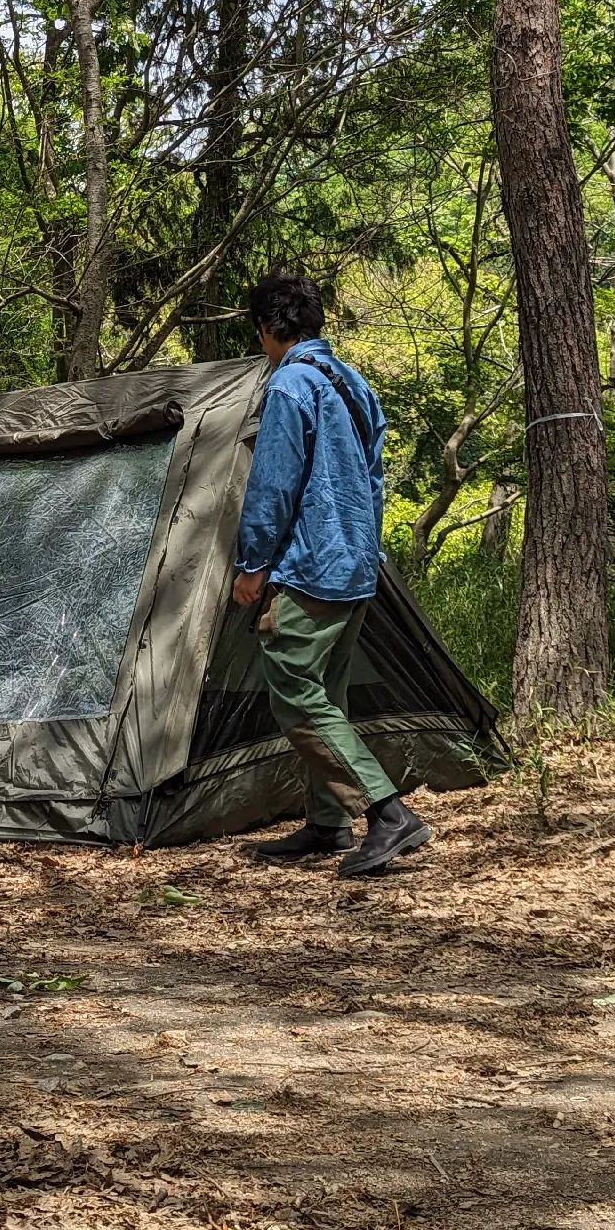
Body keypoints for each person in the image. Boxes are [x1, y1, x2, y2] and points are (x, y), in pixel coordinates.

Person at [232, 273, 431, 878]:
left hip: (310, 568)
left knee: (294, 691)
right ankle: (328, 823)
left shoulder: (290, 384)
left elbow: (273, 485)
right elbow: (372, 479)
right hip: (355, 565)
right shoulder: (352, 382)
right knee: (330, 694)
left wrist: (252, 567)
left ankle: (388, 813)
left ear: (267, 328)